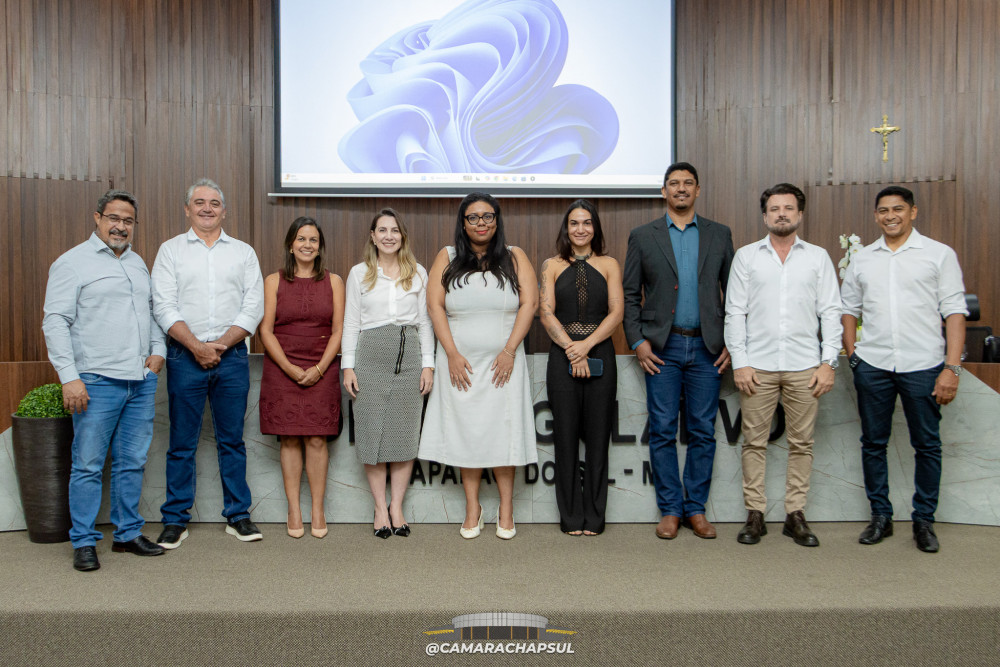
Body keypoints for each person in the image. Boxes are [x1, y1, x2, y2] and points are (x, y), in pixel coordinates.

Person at [42, 189, 167, 571]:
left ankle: (128, 534)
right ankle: (83, 541)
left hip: (139, 381)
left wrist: (158, 350)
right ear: (97, 218)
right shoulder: (71, 263)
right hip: (95, 382)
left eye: (128, 220)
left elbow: (150, 312)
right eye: (113, 218)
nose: (120, 226)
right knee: (88, 464)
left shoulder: (137, 263)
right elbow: (55, 321)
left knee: (131, 462)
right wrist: (69, 377)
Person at [841, 185, 967, 553]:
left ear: (913, 212)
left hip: (924, 364)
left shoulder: (938, 255)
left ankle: (923, 520)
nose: (890, 216)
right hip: (874, 365)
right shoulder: (863, 258)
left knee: (927, 445)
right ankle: (880, 515)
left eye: (898, 209)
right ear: (876, 215)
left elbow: (954, 313)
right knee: (872, 443)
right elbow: (848, 308)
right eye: (883, 210)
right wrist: (853, 355)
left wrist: (952, 368)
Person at [724, 183, 842, 547]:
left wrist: (828, 362)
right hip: (756, 366)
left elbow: (831, 311)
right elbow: (734, 312)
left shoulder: (817, 257)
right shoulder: (747, 256)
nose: (781, 214)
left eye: (788, 208)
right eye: (774, 209)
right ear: (764, 216)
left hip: (805, 365)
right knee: (753, 444)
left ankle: (795, 515)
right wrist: (740, 363)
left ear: (800, 214)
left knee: (801, 444)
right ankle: (755, 514)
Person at [623, 161, 734, 540]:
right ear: (663, 191)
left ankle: (696, 509)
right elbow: (629, 294)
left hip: (707, 349)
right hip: (662, 350)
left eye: (688, 183)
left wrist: (732, 343)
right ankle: (670, 509)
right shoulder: (643, 235)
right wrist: (637, 341)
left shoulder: (719, 235)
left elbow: (734, 297)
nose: (681, 189)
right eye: (674, 183)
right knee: (663, 430)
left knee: (703, 430)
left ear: (698, 190)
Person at [151, 178, 265, 548]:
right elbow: (163, 305)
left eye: (214, 203)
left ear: (224, 210)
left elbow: (253, 306)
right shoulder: (170, 251)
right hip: (185, 357)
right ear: (187, 209)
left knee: (232, 441)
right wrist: (197, 346)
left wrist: (217, 345)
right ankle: (175, 519)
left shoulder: (243, 253)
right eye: (199, 202)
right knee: (181, 442)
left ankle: (238, 516)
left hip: (231, 359)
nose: (206, 208)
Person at [418, 192, 538, 540]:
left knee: (504, 433)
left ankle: (506, 509)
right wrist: (451, 354)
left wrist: (510, 350)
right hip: (461, 364)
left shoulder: (515, 257)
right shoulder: (448, 256)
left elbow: (529, 304)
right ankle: (473, 508)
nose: (481, 223)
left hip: (505, 362)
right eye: (473, 217)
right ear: (463, 222)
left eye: (488, 216)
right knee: (466, 434)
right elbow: (435, 307)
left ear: (497, 221)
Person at [342, 209, 434, 539]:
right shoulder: (359, 273)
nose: (389, 236)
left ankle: (397, 507)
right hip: (370, 356)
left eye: (394, 230)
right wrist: (348, 366)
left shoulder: (418, 272)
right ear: (372, 235)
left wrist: (428, 364)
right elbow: (351, 322)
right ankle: (380, 508)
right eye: (382, 230)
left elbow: (425, 322)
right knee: (371, 435)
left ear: (402, 235)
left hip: (409, 356)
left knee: (404, 435)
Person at [538, 199, 623, 536]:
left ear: (595, 228)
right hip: (562, 357)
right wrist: (573, 351)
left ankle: (595, 516)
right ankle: (571, 516)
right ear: (566, 228)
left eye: (587, 223)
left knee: (599, 439)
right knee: (566, 439)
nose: (581, 229)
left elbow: (616, 313)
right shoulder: (551, 265)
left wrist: (586, 347)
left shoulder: (610, 264)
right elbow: (546, 313)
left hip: (600, 352)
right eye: (574, 223)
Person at [258, 217, 345, 539]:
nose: (307, 245)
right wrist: (289, 368)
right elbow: (265, 330)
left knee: (317, 438)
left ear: (320, 247)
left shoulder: (334, 281)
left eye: (313, 240)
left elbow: (339, 330)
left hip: (322, 366)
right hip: (283, 367)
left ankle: (317, 508)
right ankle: (294, 508)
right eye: (301, 239)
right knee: (290, 438)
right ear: (290, 245)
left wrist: (320, 368)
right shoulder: (273, 280)